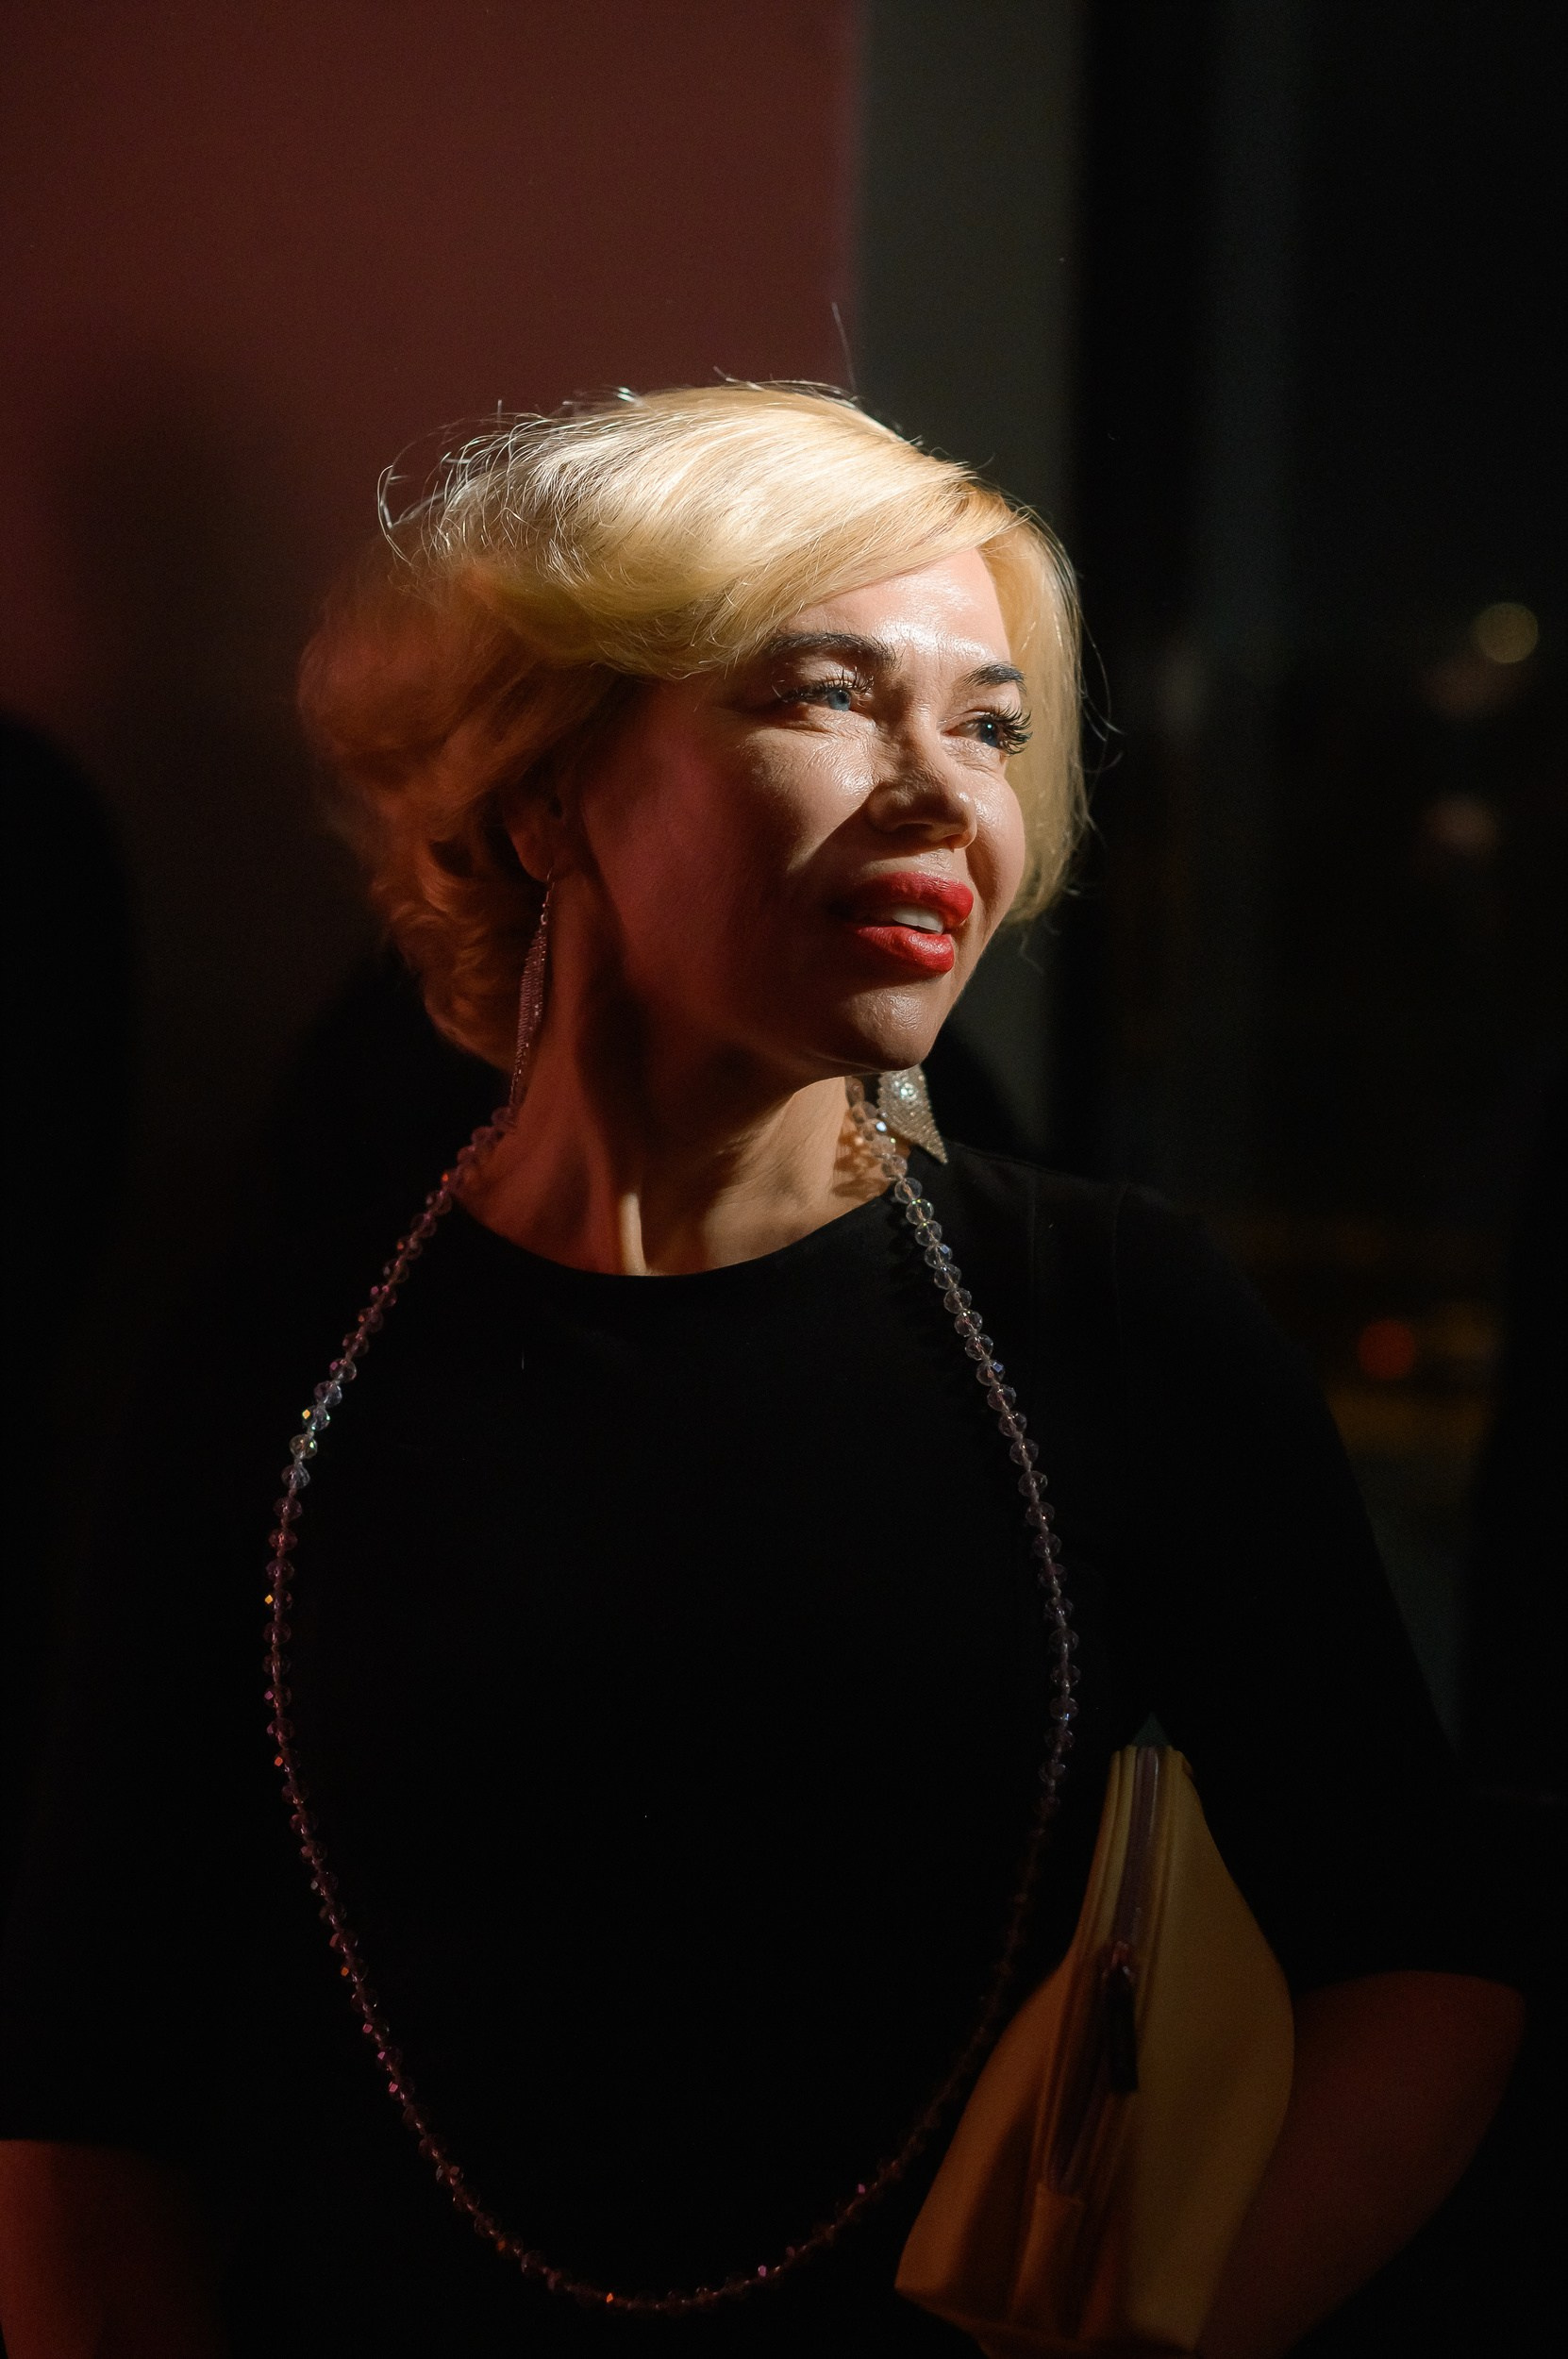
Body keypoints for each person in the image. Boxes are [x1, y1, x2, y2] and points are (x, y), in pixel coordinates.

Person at [0, 386, 1521, 2358]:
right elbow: (85, 2102)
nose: (943, 793)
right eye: (826, 695)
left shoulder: (1116, 1316)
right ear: (545, 794)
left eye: (990, 726)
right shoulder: (273, 1354)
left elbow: (1422, 1964)